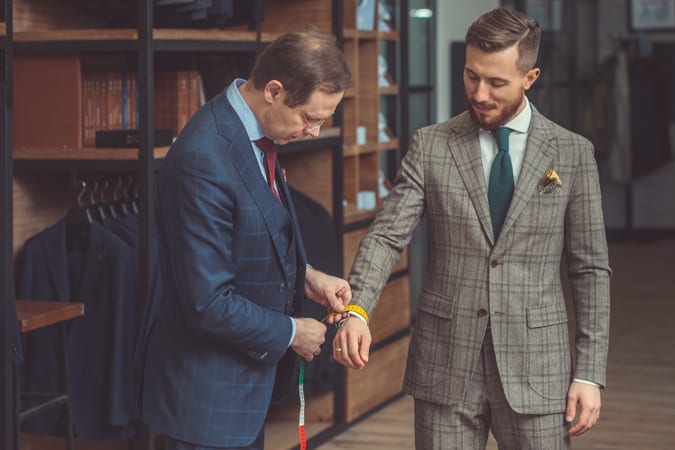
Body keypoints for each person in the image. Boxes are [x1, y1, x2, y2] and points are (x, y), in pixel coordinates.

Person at [333, 8, 611, 450]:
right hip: (445, 363)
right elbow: (387, 235)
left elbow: (590, 270)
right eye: (471, 76)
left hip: (537, 367)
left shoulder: (573, 154)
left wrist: (589, 371)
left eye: (496, 82)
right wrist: (358, 309)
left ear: (530, 77)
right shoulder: (431, 144)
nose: (479, 93)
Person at [136, 28, 352, 450]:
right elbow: (208, 302)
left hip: (240, 392)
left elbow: (244, 239)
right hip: (204, 399)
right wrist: (292, 333)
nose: (313, 131)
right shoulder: (205, 158)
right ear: (274, 90)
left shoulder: (253, 135)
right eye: (310, 118)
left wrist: (304, 276)